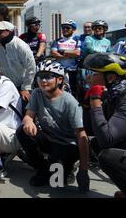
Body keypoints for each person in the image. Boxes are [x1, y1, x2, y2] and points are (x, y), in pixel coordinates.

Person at [15, 59, 90, 191]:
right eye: (40, 77)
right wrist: (28, 122)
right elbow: (28, 115)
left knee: (57, 183)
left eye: (49, 77)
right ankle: (43, 169)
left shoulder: (70, 102)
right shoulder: (37, 93)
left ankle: (68, 167)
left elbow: (82, 136)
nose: (43, 81)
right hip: (50, 140)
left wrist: (84, 171)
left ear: (60, 80)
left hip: (68, 145)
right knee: (22, 131)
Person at [83, 53, 126, 198]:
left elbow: (107, 139)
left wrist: (95, 101)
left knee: (108, 157)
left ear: (110, 77)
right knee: (95, 144)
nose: (89, 77)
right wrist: (88, 105)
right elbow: (91, 129)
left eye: (94, 74)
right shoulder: (113, 93)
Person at [0, 21, 36, 104]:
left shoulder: (21, 46)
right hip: (4, 85)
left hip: (22, 85)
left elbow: (31, 67)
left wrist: (25, 88)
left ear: (9, 32)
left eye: (1, 31)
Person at [51, 20, 81, 97]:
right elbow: (54, 53)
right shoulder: (57, 41)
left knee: (73, 92)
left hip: (72, 71)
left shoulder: (77, 40)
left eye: (67, 28)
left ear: (73, 30)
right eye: (63, 28)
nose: (65, 29)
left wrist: (62, 51)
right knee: (58, 91)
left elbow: (77, 53)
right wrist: (69, 54)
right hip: (59, 70)